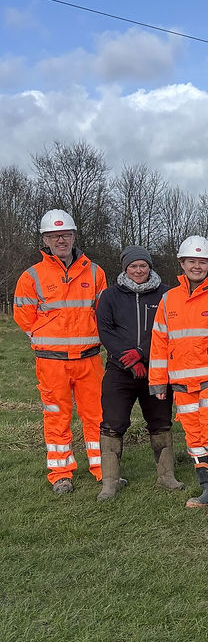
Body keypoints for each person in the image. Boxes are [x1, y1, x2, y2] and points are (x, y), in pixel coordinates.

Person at [13, 209, 106, 494]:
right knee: (56, 416)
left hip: (90, 359)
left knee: (98, 415)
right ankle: (61, 472)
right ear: (45, 240)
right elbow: (23, 316)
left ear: (74, 235)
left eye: (65, 234)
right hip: (52, 363)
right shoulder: (32, 276)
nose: (61, 239)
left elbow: (103, 313)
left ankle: (103, 469)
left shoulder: (95, 272)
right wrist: (45, 339)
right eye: (54, 236)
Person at [149, 236, 208, 518]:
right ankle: (207, 488)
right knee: (195, 439)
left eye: (202, 262)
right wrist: (158, 381)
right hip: (182, 384)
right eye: (191, 261)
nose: (196, 266)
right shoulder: (168, 299)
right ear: (182, 264)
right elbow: (160, 342)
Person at [96, 245, 184, 500]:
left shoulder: (166, 295)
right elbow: (105, 330)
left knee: (161, 422)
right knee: (112, 424)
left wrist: (142, 354)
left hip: (155, 370)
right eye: (133, 266)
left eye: (143, 265)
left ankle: (166, 476)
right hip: (119, 370)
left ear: (150, 267)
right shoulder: (109, 296)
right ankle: (110, 482)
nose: (138, 270)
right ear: (125, 268)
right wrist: (129, 359)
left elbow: (168, 329)